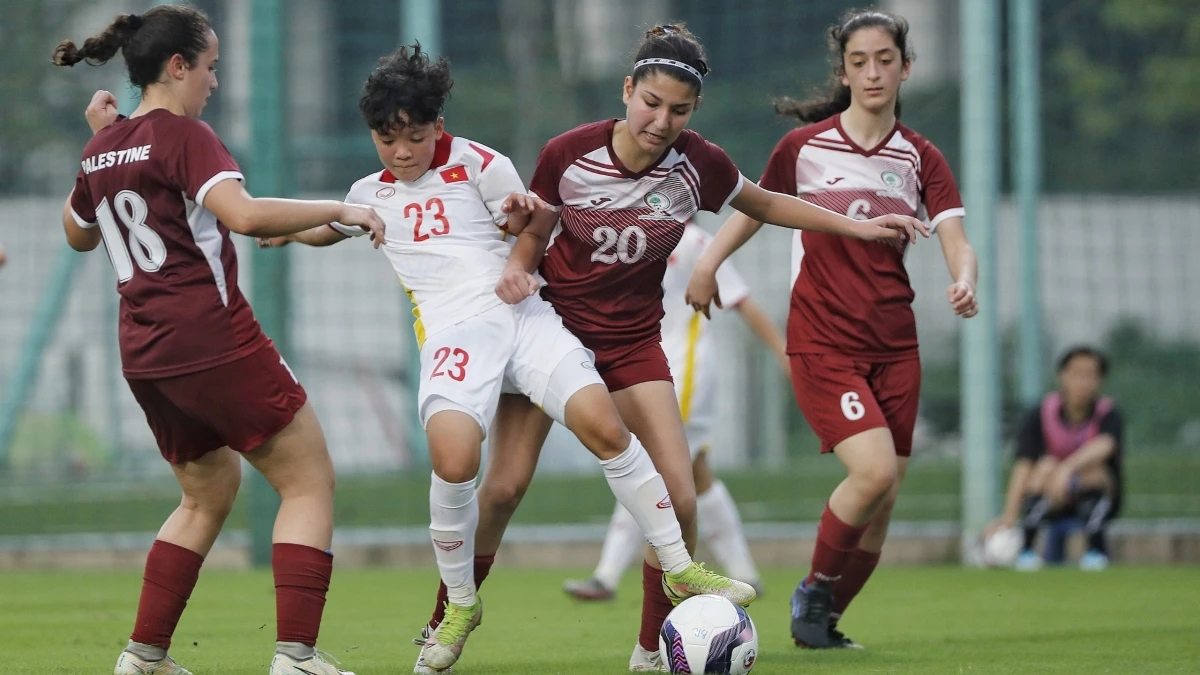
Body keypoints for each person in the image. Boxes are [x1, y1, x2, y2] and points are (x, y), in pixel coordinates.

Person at [414, 22, 927, 672]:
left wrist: (857, 227)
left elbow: (768, 204)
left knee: (679, 498)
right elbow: (533, 232)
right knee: (503, 490)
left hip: (632, 345)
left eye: (679, 110)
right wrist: (514, 267)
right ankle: (449, 615)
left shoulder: (699, 164)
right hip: (551, 332)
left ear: (695, 110)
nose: (661, 121)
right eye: (651, 103)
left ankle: (650, 650)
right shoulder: (568, 153)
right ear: (628, 89)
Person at [258, 44, 755, 674]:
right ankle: (457, 606)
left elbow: (530, 224)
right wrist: (285, 231)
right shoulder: (367, 193)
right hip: (455, 339)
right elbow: (332, 226)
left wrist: (522, 222)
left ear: (438, 125)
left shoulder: (482, 164)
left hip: (526, 320)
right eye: (387, 140)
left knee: (606, 430)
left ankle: (677, 576)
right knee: (472, 472)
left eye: (415, 137)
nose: (402, 152)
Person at [52, 7, 385, 675]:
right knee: (308, 481)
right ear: (178, 67)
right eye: (210, 66)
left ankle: (144, 655)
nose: (215, 81)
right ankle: (296, 657)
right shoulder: (185, 135)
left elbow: (77, 233)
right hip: (211, 339)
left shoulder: (103, 146)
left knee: (206, 494)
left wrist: (104, 144)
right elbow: (244, 215)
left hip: (146, 355)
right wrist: (340, 208)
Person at [685, 9, 978, 650]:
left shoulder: (921, 156)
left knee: (884, 500)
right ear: (843, 72)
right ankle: (814, 589)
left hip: (895, 345)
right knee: (872, 473)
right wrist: (708, 264)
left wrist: (964, 278)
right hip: (823, 342)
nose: (872, 73)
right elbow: (755, 210)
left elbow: (956, 236)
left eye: (884, 60)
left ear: (906, 68)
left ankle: (821, 623)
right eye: (859, 62)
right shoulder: (804, 148)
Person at [563, 223, 788, 602]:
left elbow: (740, 298)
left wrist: (783, 352)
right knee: (695, 473)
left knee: (647, 467)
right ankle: (746, 573)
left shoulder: (694, 240)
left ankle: (606, 575)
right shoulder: (625, 232)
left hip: (682, 370)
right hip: (651, 370)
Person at [989, 346, 1123, 571]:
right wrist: (1009, 515)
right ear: (1062, 376)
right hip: (1051, 493)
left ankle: (1096, 552)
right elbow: (1024, 465)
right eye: (1076, 373)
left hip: (1093, 493)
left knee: (1095, 472)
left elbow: (1106, 445)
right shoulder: (1041, 413)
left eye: (1090, 374)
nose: (1083, 382)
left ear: (1099, 380)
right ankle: (1026, 551)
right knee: (1043, 468)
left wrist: (1067, 470)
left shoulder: (1108, 414)